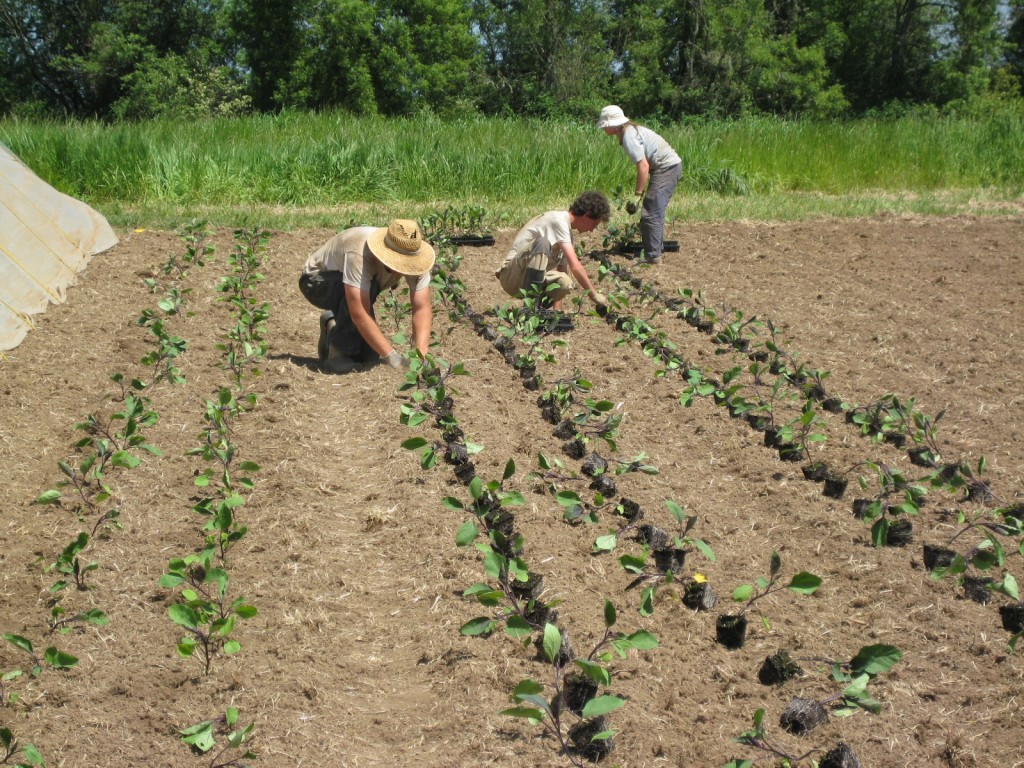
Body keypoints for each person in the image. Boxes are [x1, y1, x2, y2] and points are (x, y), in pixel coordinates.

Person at [299, 219, 435, 373]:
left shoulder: (412, 253)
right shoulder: (360, 251)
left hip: (354, 287)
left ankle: (332, 321)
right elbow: (359, 311)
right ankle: (337, 352)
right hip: (316, 281)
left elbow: (421, 307)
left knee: (369, 357)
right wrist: (393, 358)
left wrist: (421, 355)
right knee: (365, 293)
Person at [496, 190, 610, 310]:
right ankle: (530, 309)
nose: (592, 230)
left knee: (565, 282)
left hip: (527, 280)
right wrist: (595, 296)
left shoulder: (567, 234)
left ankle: (536, 309)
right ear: (586, 216)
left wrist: (558, 311)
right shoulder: (558, 220)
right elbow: (576, 267)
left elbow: (562, 270)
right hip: (511, 275)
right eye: (594, 225)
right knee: (542, 243)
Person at [596, 105, 682, 264]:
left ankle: (653, 256)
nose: (603, 129)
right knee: (654, 207)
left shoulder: (629, 135)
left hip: (667, 167)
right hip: (667, 166)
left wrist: (637, 195)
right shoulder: (628, 131)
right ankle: (656, 248)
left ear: (612, 124)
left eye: (604, 125)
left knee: (651, 209)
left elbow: (643, 166)